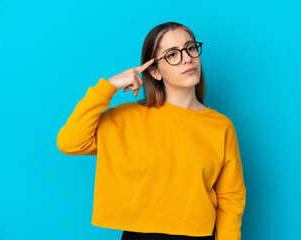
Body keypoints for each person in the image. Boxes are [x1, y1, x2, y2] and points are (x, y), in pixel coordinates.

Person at [57, 21, 246, 240]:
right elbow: (70, 142)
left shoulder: (221, 126)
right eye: (172, 54)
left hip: (199, 235)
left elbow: (230, 197)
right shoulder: (126, 117)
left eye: (191, 48)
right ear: (155, 72)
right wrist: (109, 86)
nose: (187, 58)